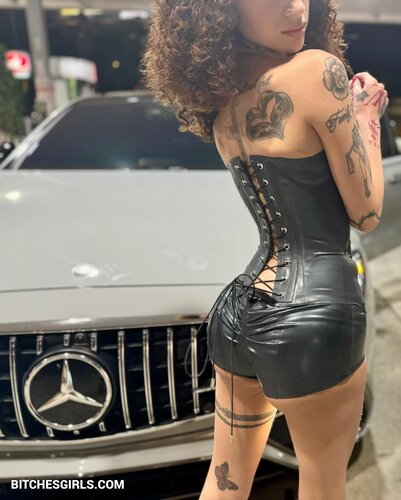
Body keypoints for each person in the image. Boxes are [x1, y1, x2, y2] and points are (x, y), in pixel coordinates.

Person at [140, 1, 388, 498]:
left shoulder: (223, 103)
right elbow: (365, 213)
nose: (296, 8)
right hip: (314, 320)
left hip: (237, 315)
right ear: (222, 9)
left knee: (225, 482)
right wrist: (365, 117)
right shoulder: (317, 70)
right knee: (323, 482)